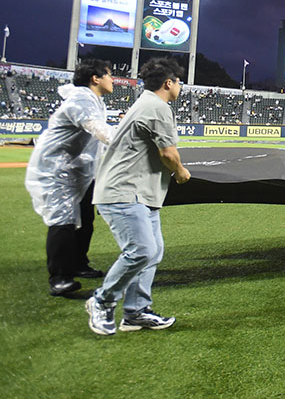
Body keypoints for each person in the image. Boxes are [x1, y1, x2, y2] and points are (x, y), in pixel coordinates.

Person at [85, 58, 191, 336]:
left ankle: (135, 312)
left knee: (152, 252)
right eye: (178, 81)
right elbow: (168, 154)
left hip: (139, 192)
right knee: (142, 250)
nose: (180, 86)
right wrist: (180, 171)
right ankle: (102, 301)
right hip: (124, 192)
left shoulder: (146, 103)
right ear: (168, 83)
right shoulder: (157, 107)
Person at [24, 59, 115, 297]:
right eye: (109, 75)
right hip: (57, 169)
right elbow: (100, 131)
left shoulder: (94, 100)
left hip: (77, 170)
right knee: (62, 220)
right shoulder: (82, 99)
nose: (112, 79)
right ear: (95, 78)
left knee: (84, 218)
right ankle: (60, 277)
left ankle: (78, 264)